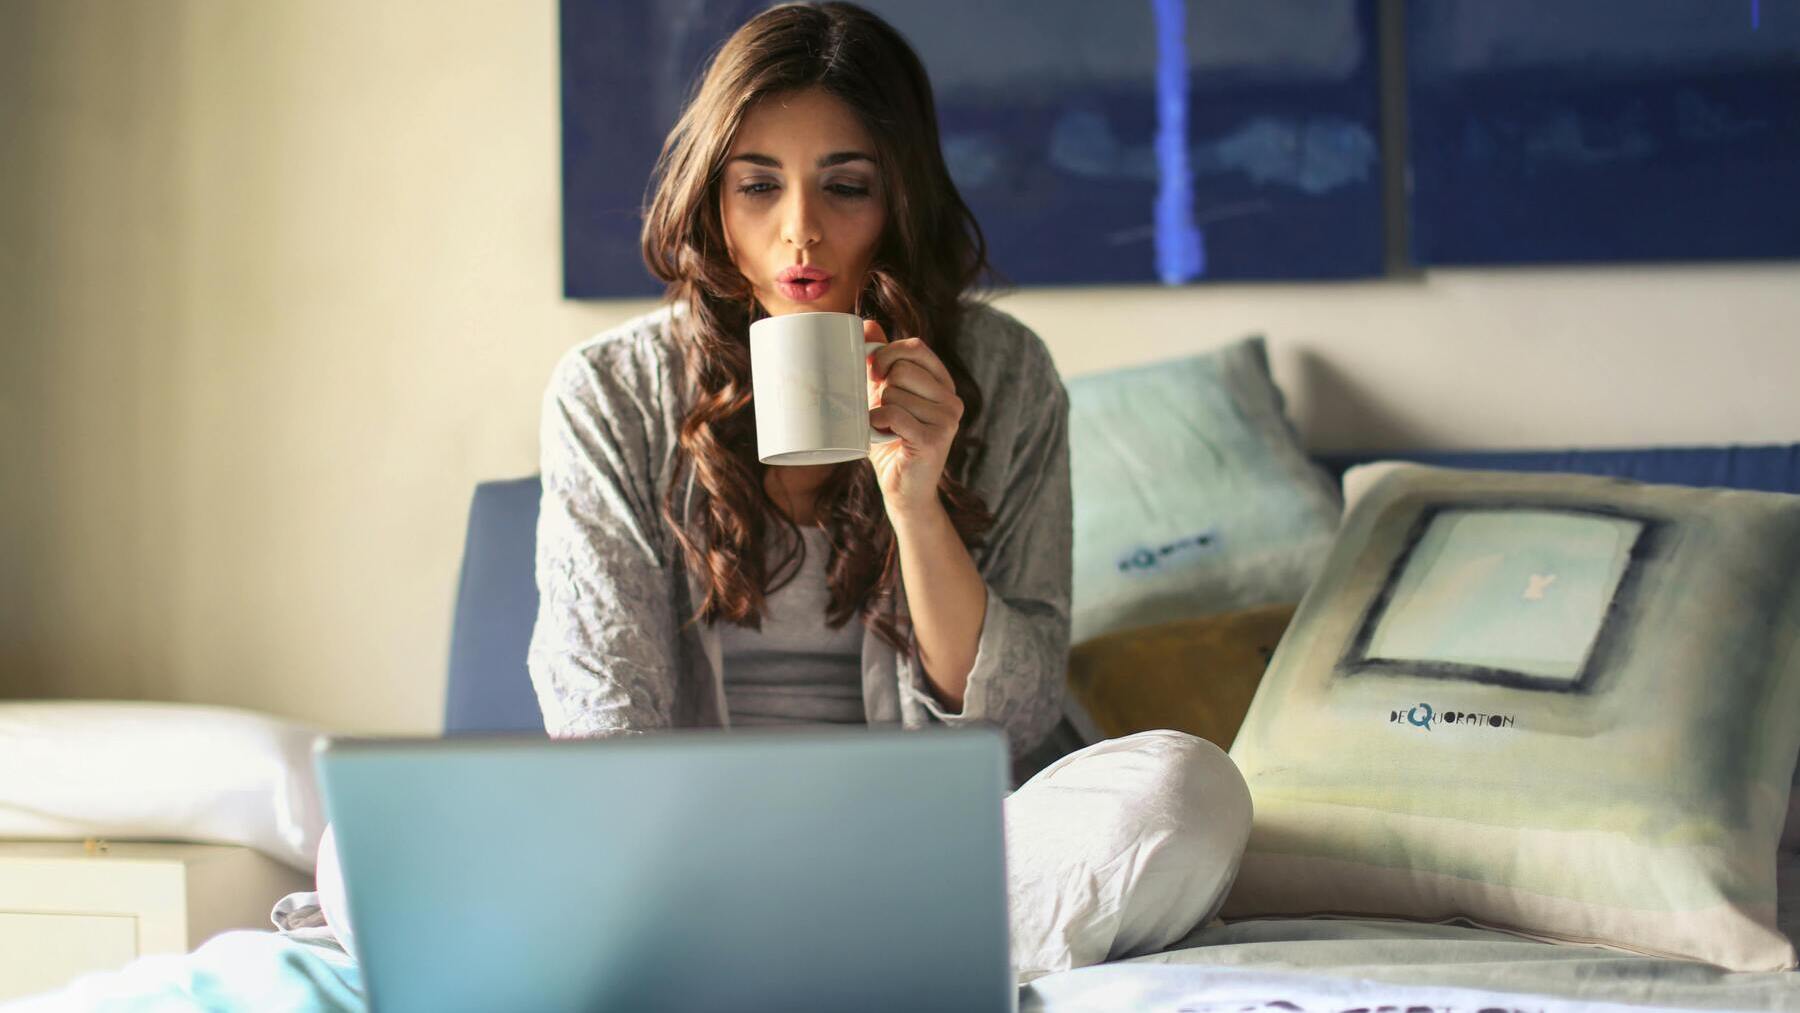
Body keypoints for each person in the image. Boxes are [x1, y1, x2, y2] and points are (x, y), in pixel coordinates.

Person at [322, 1, 1251, 985]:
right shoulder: (611, 393)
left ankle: (739, 957)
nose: (800, 230)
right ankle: (842, 953)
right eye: (758, 185)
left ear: (902, 199)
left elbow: (1012, 718)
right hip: (680, 853)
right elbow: (601, 717)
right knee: (359, 857)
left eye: (845, 186)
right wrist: (669, 858)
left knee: (1187, 792)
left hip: (934, 851)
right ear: (713, 202)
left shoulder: (1005, 376)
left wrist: (916, 499)